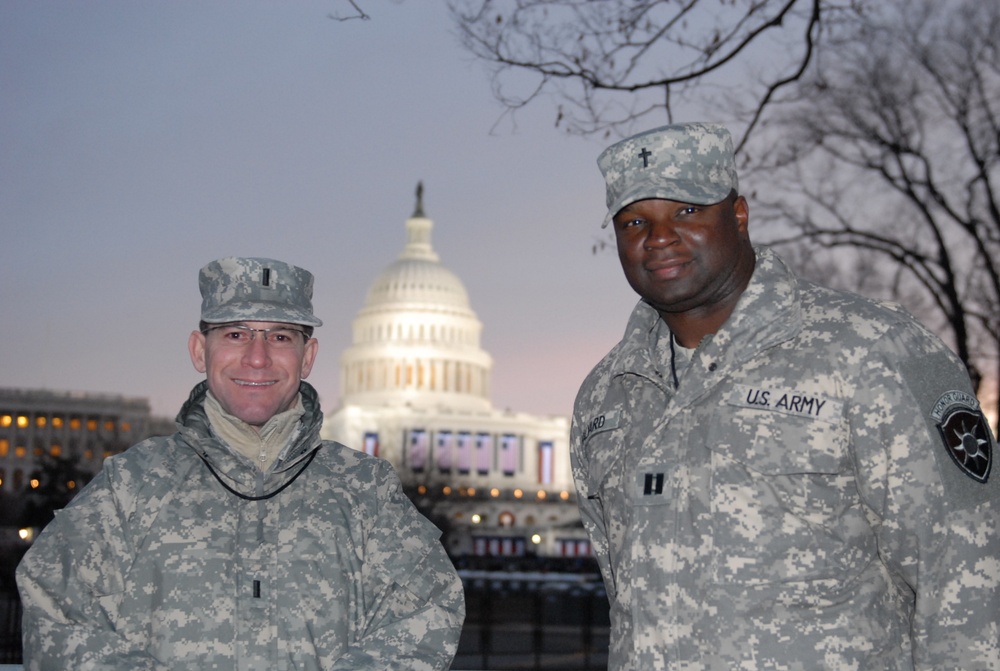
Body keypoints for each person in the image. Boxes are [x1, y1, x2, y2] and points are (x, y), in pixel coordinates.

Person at [571, 123, 1000, 669]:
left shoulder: (870, 349)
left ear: (739, 216)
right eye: (635, 221)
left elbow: (971, 571)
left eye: (687, 211)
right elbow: (623, 596)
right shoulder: (606, 398)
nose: (659, 238)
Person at [17, 257, 465, 670]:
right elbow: (55, 611)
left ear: (307, 357)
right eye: (235, 333)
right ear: (199, 350)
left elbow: (427, 613)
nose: (257, 357)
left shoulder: (366, 490)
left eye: (280, 336)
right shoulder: (131, 485)